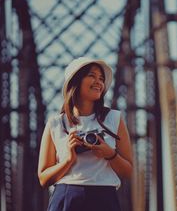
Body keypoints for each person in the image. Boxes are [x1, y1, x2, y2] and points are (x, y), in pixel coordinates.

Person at [38, 57, 133, 211]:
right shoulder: (55, 123)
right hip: (66, 197)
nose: (99, 82)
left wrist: (109, 153)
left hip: (104, 197)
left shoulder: (114, 118)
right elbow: (43, 178)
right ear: (75, 81)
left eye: (101, 78)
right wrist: (68, 160)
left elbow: (128, 171)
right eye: (92, 76)